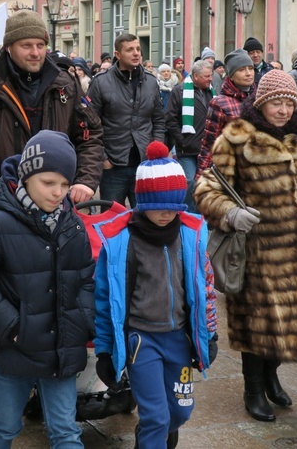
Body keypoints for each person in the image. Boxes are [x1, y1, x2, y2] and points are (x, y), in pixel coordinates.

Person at [194, 69, 297, 421]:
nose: (284, 110)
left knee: (289, 322)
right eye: (276, 103)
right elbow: (207, 188)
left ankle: (272, 377)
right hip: (254, 251)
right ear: (262, 103)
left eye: (289, 103)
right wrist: (230, 214)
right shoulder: (237, 137)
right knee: (257, 327)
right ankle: (253, 389)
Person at [0, 130, 95, 447]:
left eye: (64, 184)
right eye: (48, 183)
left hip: (62, 349)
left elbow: (86, 277)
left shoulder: (73, 225)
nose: (58, 192)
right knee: (4, 427)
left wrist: (84, 320)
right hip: (14, 351)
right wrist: (14, 327)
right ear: (27, 175)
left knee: (66, 431)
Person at [94, 141, 217, 446]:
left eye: (174, 206)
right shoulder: (121, 243)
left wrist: (209, 334)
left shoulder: (192, 237)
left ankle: (152, 435)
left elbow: (207, 291)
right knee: (156, 417)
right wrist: (105, 349)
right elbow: (104, 299)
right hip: (141, 342)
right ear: (142, 202)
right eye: (158, 206)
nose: (166, 213)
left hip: (179, 340)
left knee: (180, 412)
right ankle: (151, 436)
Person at [0, 10, 103, 209]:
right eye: (26, 46)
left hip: (59, 198)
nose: (36, 53)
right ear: (8, 47)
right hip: (7, 199)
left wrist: (85, 181)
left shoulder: (65, 82)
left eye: (40, 45)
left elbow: (90, 135)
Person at [87, 33, 165, 208]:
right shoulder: (101, 82)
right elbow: (90, 124)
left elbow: (159, 120)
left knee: (146, 219)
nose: (136, 53)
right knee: (112, 222)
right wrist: (103, 158)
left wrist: (156, 149)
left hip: (145, 165)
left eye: (138, 49)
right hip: (113, 166)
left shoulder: (151, 81)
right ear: (118, 54)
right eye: (130, 50)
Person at [165, 60, 216, 211]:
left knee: (206, 184)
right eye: (207, 76)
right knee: (190, 182)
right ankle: (187, 216)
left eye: (211, 75)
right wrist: (182, 140)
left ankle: (203, 218)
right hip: (187, 149)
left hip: (208, 150)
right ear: (195, 76)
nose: (210, 79)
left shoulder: (212, 92)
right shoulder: (179, 91)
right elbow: (170, 118)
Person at [196, 48, 255, 176]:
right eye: (241, 70)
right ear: (231, 75)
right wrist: (201, 178)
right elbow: (209, 144)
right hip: (231, 172)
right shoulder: (220, 103)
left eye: (250, 68)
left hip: (256, 173)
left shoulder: (258, 99)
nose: (248, 73)